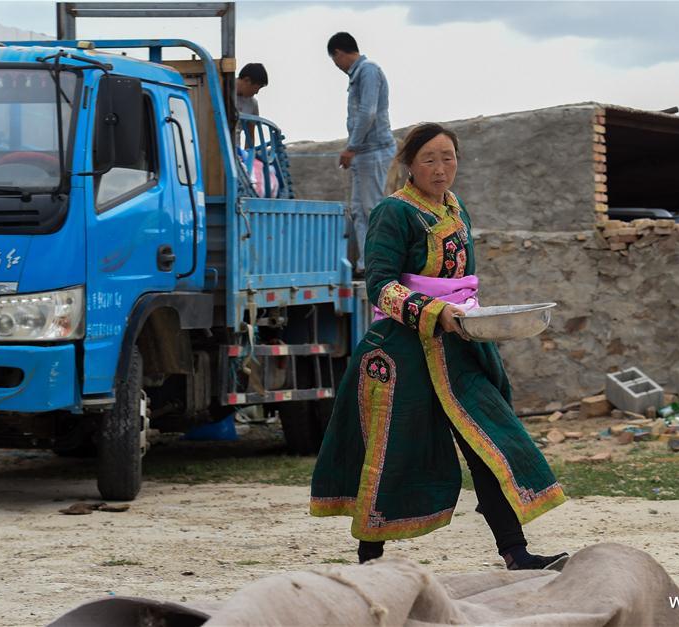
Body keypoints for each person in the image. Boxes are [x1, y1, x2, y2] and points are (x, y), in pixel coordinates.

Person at [310, 123, 568, 570]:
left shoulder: (456, 208)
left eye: (448, 157)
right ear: (409, 164)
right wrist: (433, 312)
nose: (440, 167)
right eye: (429, 158)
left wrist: (467, 314)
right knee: (392, 454)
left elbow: (463, 280)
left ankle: (516, 552)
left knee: (487, 442)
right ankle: (370, 556)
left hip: (460, 350)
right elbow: (380, 286)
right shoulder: (393, 212)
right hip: (402, 353)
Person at [327, 32, 396, 277]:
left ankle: (382, 264)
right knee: (358, 210)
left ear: (339, 53)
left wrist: (351, 147)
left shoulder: (368, 71)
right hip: (362, 153)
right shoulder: (359, 75)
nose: (338, 68)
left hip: (373, 151)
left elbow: (368, 113)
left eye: (336, 62)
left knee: (373, 209)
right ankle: (367, 264)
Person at [236, 63, 268, 148]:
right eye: (257, 87)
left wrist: (247, 157)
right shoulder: (221, 90)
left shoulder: (252, 104)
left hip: (235, 152)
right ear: (247, 80)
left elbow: (250, 135)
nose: (257, 92)